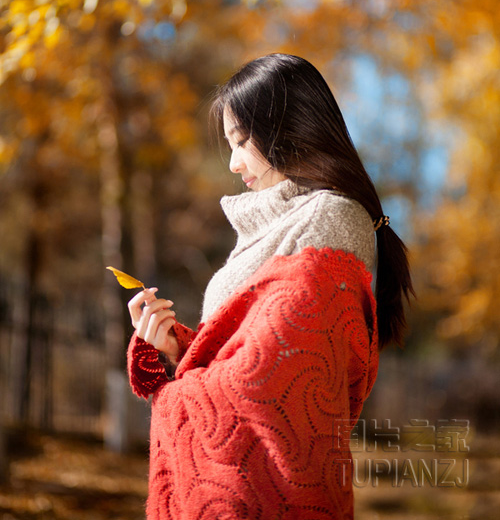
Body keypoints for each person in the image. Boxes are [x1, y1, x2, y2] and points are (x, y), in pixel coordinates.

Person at [127, 53, 413, 520]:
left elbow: (271, 384)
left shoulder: (329, 219)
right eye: (229, 145)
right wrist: (181, 351)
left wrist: (175, 391)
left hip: (273, 496)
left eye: (242, 141)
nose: (235, 163)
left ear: (290, 127)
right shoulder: (282, 223)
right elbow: (250, 354)